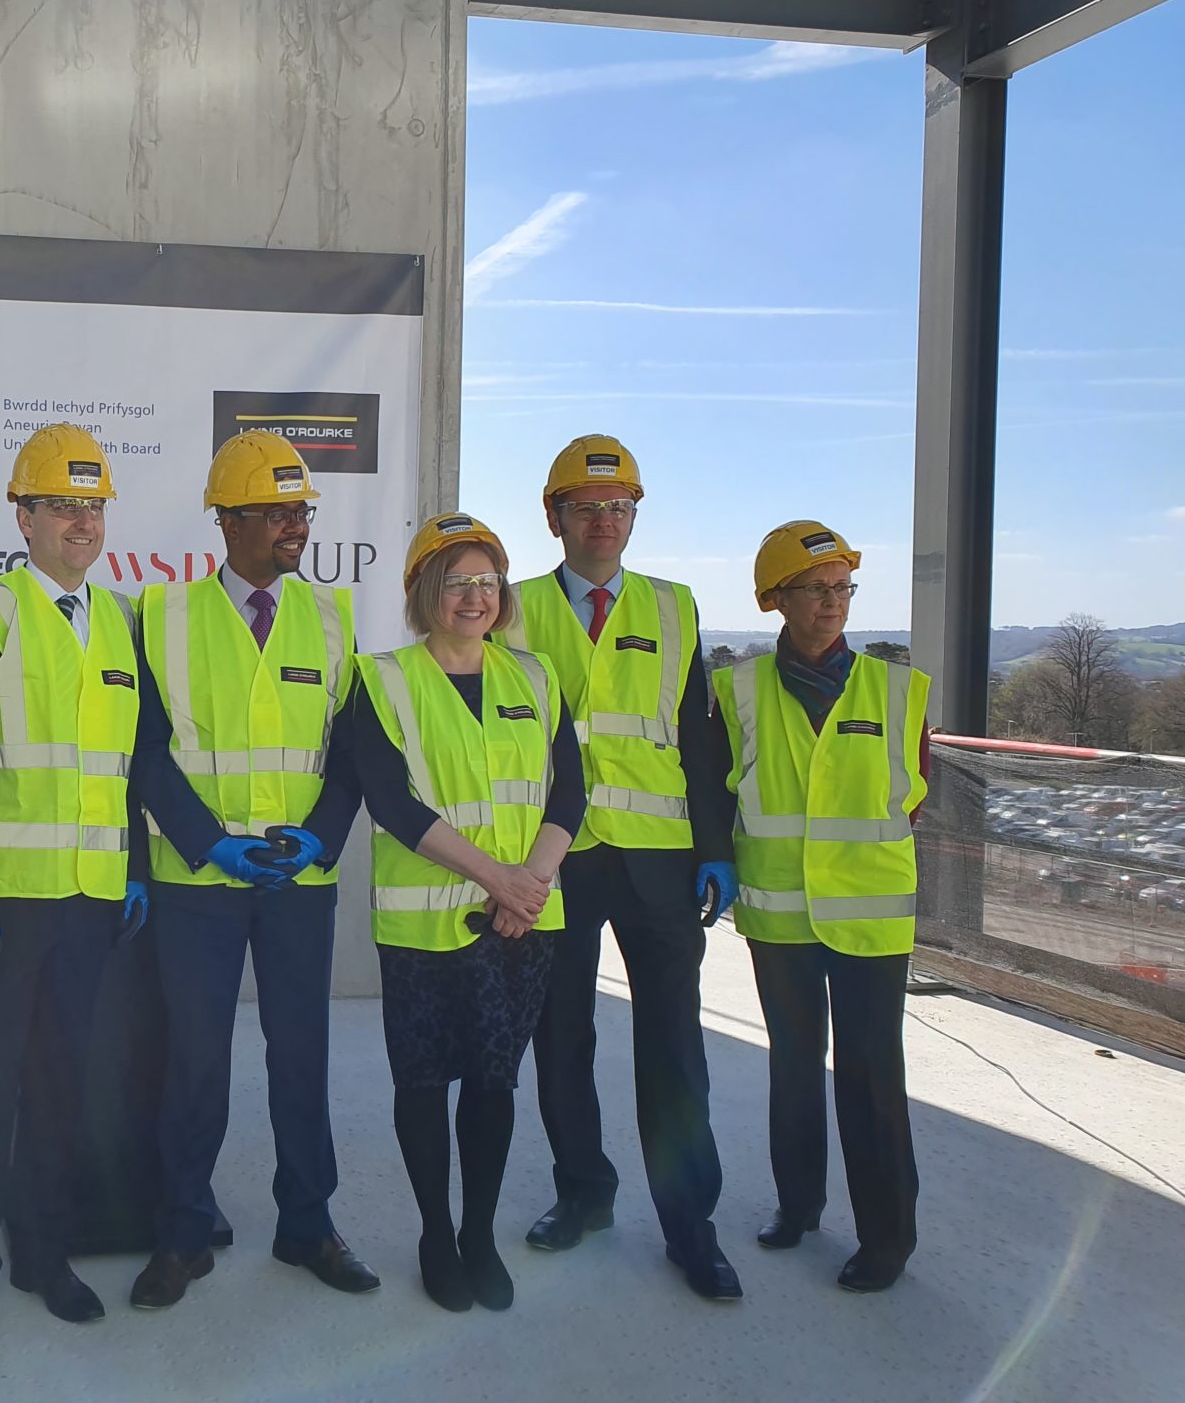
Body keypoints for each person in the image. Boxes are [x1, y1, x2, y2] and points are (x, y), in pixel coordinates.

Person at [126, 429, 377, 1311]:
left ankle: (308, 1222)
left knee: (301, 1059)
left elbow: (350, 756)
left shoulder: (335, 617)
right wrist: (208, 843)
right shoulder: (160, 615)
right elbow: (146, 754)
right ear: (227, 521)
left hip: (298, 887)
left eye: (301, 510)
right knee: (193, 1062)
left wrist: (320, 837)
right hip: (198, 886)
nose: (295, 526)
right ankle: (184, 1231)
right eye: (276, 511)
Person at [501, 433, 743, 1301]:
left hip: (660, 862)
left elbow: (699, 737)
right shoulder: (514, 606)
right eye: (587, 507)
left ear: (633, 517)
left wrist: (717, 850)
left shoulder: (674, 606)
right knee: (561, 1038)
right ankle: (583, 1196)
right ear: (554, 517)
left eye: (619, 507)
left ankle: (692, 1228)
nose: (604, 522)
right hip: (553, 857)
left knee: (674, 1047)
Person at [0, 424, 149, 1361]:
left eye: (93, 507)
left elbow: (124, 763)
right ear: (22, 515)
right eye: (63, 505)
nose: (81, 523)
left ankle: (42, 1254)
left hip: (92, 900)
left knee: (63, 1089)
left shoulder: (123, 620)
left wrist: (135, 862)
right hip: (5, 906)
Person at [334, 514, 584, 1313]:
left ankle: (479, 1233)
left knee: (493, 1086)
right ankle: (435, 1235)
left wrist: (530, 885)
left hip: (519, 928)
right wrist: (499, 881)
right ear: (422, 594)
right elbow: (392, 804)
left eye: (486, 581)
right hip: (425, 931)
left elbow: (567, 792)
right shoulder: (380, 680)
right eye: (455, 582)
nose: (474, 597)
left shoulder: (536, 678)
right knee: (421, 1086)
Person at [711, 521, 930, 1294]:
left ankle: (887, 1238)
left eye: (842, 588)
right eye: (815, 589)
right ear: (776, 599)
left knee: (871, 1073)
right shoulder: (734, 689)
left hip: (871, 919)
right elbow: (716, 789)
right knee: (795, 1067)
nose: (832, 603)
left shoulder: (901, 690)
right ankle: (797, 1204)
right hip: (778, 915)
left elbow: (913, 795)